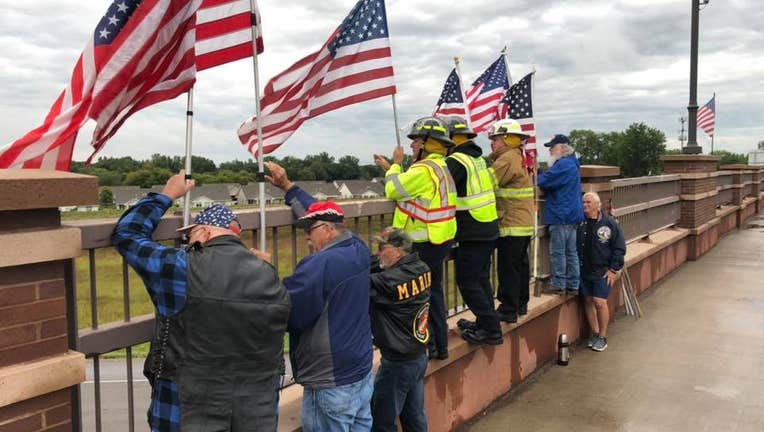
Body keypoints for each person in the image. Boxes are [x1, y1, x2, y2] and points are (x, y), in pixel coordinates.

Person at [112, 170, 290, 432]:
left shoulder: (181, 267)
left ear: (204, 233)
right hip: (256, 413)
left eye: (190, 236)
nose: (186, 242)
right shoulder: (269, 276)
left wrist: (166, 196)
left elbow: (127, 235)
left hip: (188, 410)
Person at [257, 161, 374, 432]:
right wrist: (288, 186)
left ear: (329, 230)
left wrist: (263, 270)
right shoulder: (357, 246)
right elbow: (323, 213)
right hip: (359, 370)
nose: (308, 238)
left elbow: (288, 312)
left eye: (310, 230)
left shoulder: (319, 265)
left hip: (330, 379)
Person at [373, 116, 457, 361]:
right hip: (439, 239)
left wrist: (396, 165)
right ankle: (439, 345)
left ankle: (428, 345)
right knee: (434, 294)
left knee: (418, 296)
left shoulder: (424, 168)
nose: (411, 145)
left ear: (428, 144)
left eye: (416, 140)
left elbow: (394, 189)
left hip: (423, 242)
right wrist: (392, 168)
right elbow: (411, 189)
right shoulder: (440, 167)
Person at [440, 116, 502, 345]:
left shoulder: (455, 161)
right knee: (481, 279)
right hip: (487, 227)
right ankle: (485, 322)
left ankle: (492, 329)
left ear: (452, 138)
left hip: (473, 230)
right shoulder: (477, 159)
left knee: (467, 280)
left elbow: (440, 190)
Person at [369, 228, 431, 432]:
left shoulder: (390, 281)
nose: (378, 254)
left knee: (381, 422)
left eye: (382, 248)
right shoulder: (421, 267)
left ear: (398, 251)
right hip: (418, 355)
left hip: (398, 363)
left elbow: (356, 280)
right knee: (414, 418)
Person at [488, 119, 535, 323]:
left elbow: (486, 182)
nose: (492, 143)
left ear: (507, 139)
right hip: (522, 222)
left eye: (496, 139)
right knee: (520, 266)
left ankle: (508, 309)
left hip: (511, 223)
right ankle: (520, 303)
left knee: (508, 267)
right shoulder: (518, 156)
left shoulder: (506, 158)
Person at [578, 192, 626, 352]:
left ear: (597, 205)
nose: (585, 205)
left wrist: (614, 269)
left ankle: (603, 336)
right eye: (583, 202)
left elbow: (619, 247)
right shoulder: (580, 222)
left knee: (600, 302)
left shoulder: (609, 223)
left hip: (602, 271)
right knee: (588, 301)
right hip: (584, 270)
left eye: (588, 202)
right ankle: (595, 333)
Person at [538, 134, 583, 294]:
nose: (550, 150)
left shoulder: (563, 164)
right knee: (571, 252)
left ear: (562, 148)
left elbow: (543, 181)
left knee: (558, 252)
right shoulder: (572, 164)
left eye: (553, 147)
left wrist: (537, 172)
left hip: (561, 214)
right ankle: (573, 284)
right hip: (572, 214)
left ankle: (559, 284)